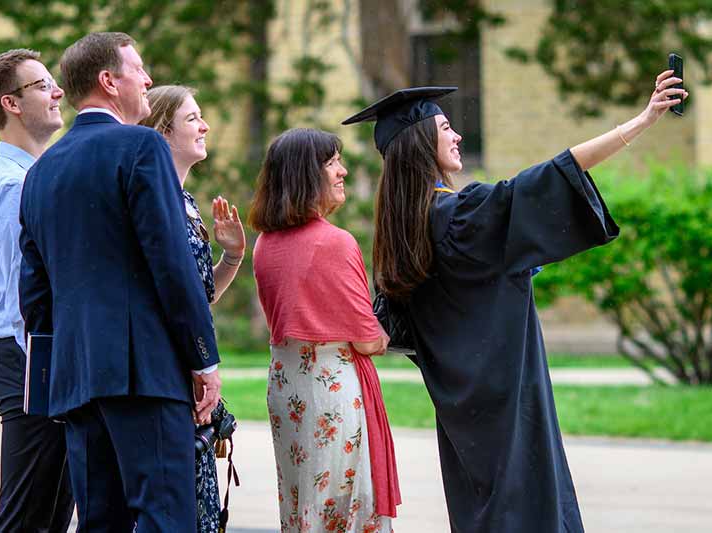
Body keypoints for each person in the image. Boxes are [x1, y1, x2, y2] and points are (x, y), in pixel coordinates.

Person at [342, 73, 687, 533]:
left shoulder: (406, 232)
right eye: (446, 128)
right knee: (531, 510)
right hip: (509, 397)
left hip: (462, 410)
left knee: (485, 512)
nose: (459, 134)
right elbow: (552, 176)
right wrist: (640, 122)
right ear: (422, 142)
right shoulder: (463, 214)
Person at [18, 32, 222, 531]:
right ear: (109, 82)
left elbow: (35, 295)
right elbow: (171, 264)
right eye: (139, 69)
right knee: (166, 517)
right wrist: (203, 358)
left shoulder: (41, 172)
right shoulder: (142, 146)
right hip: (145, 373)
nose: (149, 79)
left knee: (99, 522)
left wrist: (58, 372)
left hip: (77, 379)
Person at [249, 128, 400, 533]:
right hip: (330, 389)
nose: (343, 171)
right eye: (332, 163)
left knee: (302, 506)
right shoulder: (336, 243)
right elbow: (368, 339)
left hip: (287, 386)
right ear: (305, 175)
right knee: (340, 507)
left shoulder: (265, 243)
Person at [0, 48, 74, 533]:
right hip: (31, 361)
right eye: (42, 85)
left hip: (44, 361)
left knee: (52, 516)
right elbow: (25, 303)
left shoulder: (32, 178)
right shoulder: (14, 188)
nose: (57, 93)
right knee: (26, 519)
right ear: (11, 104)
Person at [140, 84, 246, 532]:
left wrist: (233, 258)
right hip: (169, 375)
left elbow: (198, 297)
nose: (204, 126)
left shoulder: (185, 203)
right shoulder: (152, 200)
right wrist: (201, 366)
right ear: (163, 130)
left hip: (190, 377)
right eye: (192, 119)